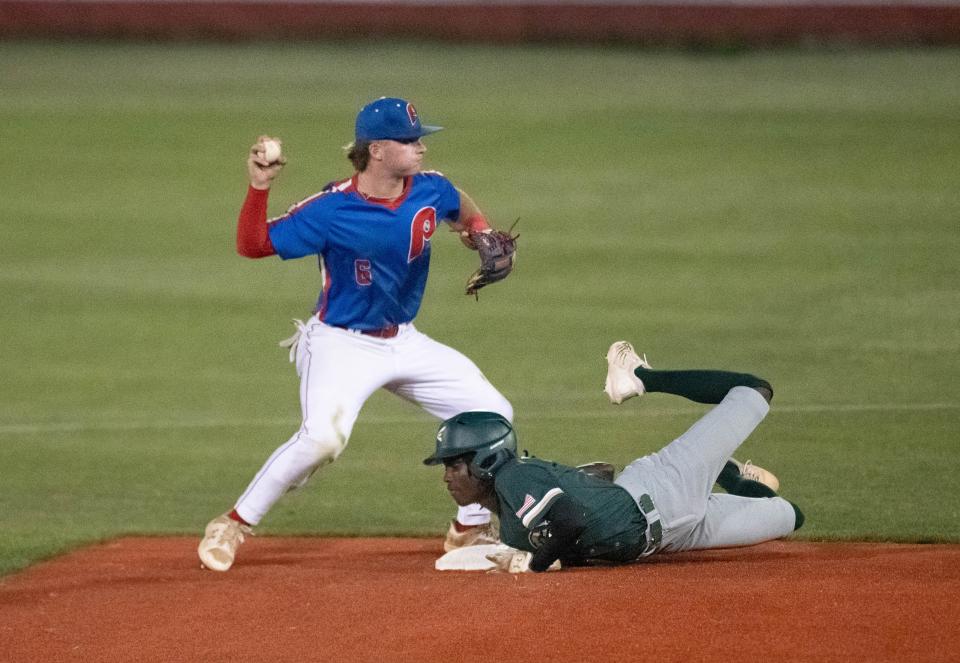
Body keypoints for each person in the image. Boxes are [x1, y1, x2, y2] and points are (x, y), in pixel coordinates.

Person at [198, 97, 515, 572]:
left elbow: (457, 205)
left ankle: (468, 526)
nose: (420, 148)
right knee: (323, 439)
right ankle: (233, 523)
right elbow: (253, 245)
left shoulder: (430, 188)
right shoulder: (331, 209)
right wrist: (258, 186)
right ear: (378, 150)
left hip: (404, 340)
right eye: (409, 141)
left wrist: (481, 230)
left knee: (493, 414)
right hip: (340, 342)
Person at [424, 341, 804, 573]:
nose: (447, 476)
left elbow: (571, 520)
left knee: (754, 390)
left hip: (664, 489)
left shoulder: (514, 476)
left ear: (486, 459)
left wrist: (534, 564)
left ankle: (639, 376)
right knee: (791, 517)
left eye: (455, 464)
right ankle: (732, 477)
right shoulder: (510, 526)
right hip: (672, 537)